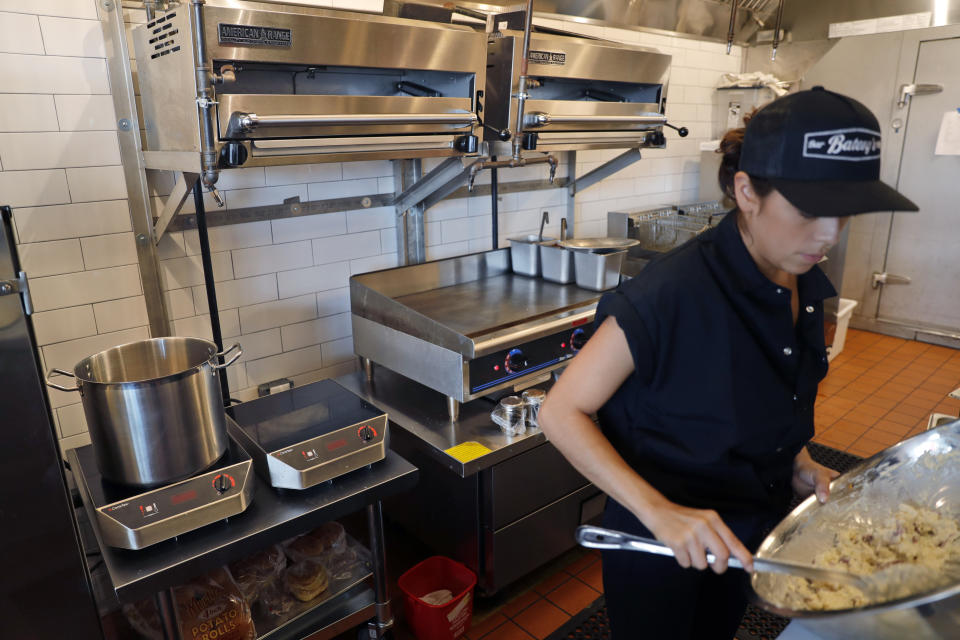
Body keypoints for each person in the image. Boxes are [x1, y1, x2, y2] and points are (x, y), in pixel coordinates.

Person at [538, 87, 919, 639]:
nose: (829, 236)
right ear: (746, 191)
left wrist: (799, 461)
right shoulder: (670, 293)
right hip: (662, 539)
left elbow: (764, 396)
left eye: (846, 214)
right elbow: (561, 411)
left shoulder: (803, 283)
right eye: (810, 211)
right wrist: (661, 513)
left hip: (748, 530)